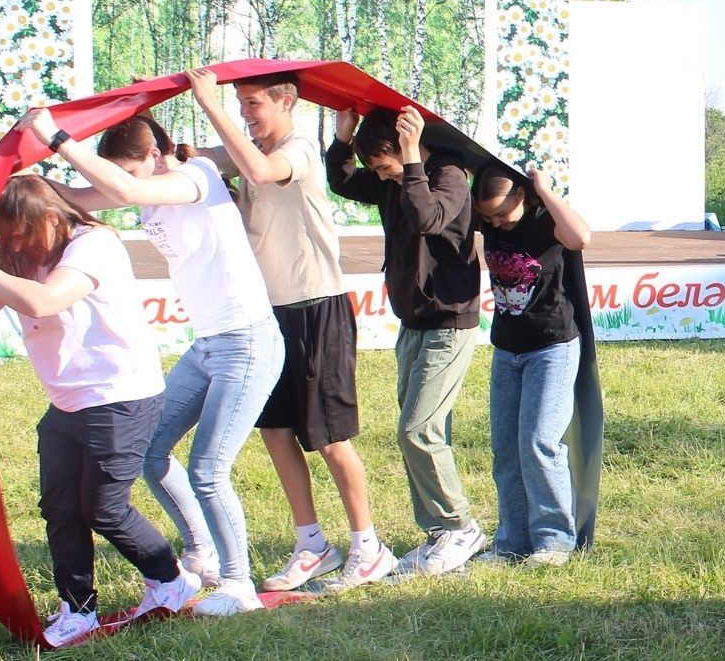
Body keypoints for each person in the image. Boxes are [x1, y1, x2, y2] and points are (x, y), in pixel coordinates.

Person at [34, 107, 285, 616]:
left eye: (129, 168)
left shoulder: (198, 176)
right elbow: (83, 196)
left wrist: (57, 138)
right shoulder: (142, 180)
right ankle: (203, 555)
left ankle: (239, 586)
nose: (122, 180)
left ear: (154, 155)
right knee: (150, 449)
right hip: (208, 344)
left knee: (209, 470)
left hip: (248, 341)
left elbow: (124, 191)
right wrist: (26, 174)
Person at [0, 174, 199, 646]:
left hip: (120, 397)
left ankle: (171, 578)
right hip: (67, 403)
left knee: (104, 509)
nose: (17, 244)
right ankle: (78, 608)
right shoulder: (22, 255)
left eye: (22, 233)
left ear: (50, 217)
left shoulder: (94, 245)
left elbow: (45, 301)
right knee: (61, 508)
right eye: (7, 237)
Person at [186, 68, 392, 594]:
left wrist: (207, 103)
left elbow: (257, 170)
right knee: (275, 430)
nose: (245, 114)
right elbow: (189, 161)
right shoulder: (244, 146)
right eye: (240, 104)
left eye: (253, 103)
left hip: (315, 306)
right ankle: (312, 544)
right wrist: (149, 110)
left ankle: (367, 548)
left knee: (328, 438)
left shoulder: (297, 149)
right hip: (265, 314)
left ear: (288, 102)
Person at [326, 105, 488, 578]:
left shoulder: (448, 174)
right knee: (424, 430)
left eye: (384, 166)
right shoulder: (395, 178)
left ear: (406, 148)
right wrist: (342, 140)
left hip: (449, 320)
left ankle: (461, 528)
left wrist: (412, 160)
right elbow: (341, 181)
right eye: (378, 171)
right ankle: (441, 532)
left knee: (417, 430)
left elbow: (426, 218)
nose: (382, 178)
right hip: (413, 321)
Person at [473, 166, 593, 564]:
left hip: (552, 348)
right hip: (507, 350)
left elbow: (580, 237)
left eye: (500, 215)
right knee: (506, 450)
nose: (494, 224)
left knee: (539, 442)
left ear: (522, 197)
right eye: (487, 218)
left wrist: (545, 189)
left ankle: (555, 540)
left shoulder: (545, 223)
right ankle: (512, 542)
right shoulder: (490, 220)